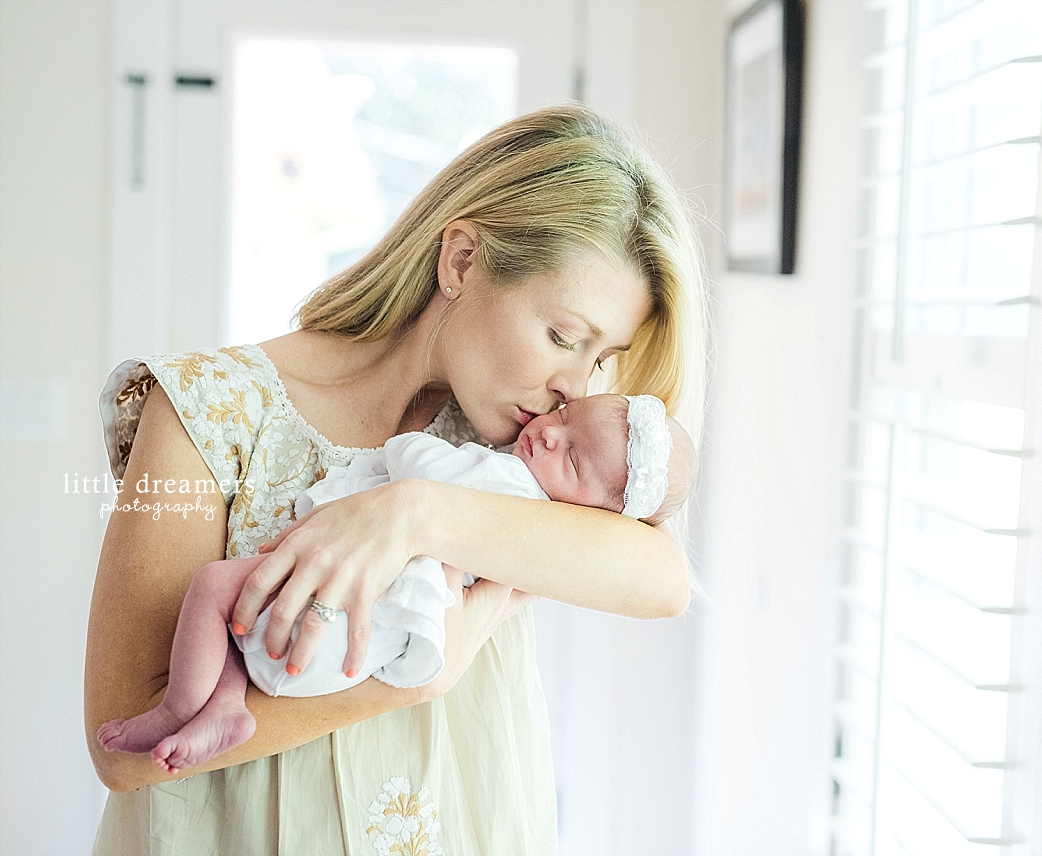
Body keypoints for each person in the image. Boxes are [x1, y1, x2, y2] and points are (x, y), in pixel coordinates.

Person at [85, 104, 708, 856]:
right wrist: (410, 679)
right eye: (563, 337)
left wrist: (415, 515)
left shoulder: (526, 454)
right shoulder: (210, 410)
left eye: (599, 359)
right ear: (462, 261)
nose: (573, 388)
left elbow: (665, 580)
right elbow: (120, 751)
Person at [96, 393, 697, 774]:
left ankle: (179, 705)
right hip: (351, 652)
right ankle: (226, 704)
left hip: (330, 609)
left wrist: (414, 453)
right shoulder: (539, 538)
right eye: (564, 417)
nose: (549, 432)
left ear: (597, 511)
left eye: (571, 459)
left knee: (214, 588)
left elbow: (415, 462)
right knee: (237, 620)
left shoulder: (509, 483)